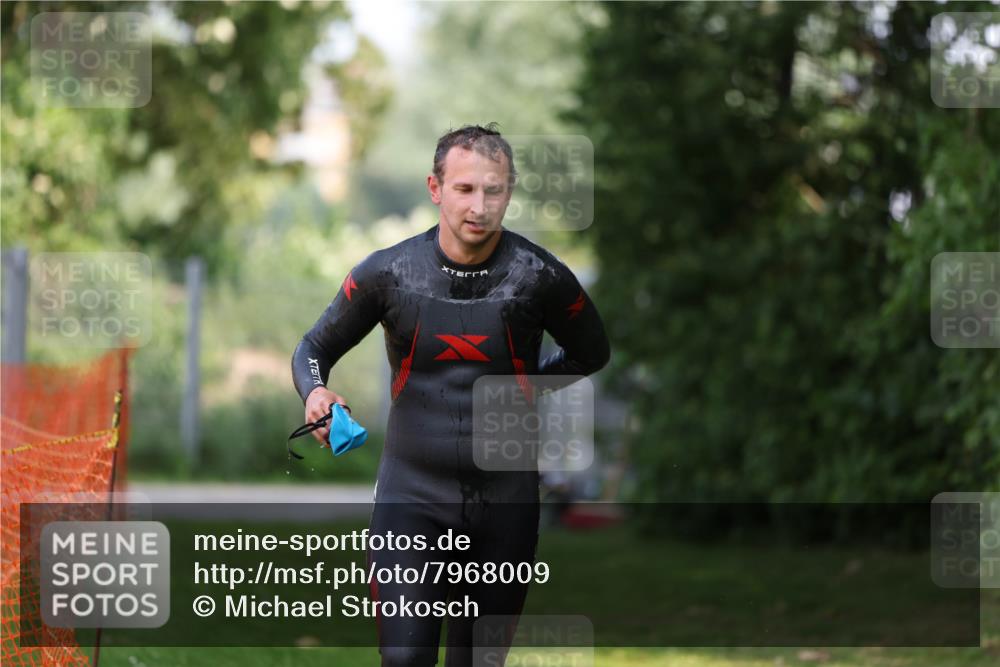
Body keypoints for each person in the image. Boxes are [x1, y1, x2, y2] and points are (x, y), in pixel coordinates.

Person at [291, 123, 610, 666]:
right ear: (435, 188)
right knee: (406, 661)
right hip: (410, 499)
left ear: (509, 191)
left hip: (506, 503)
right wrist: (317, 393)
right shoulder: (389, 273)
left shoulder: (540, 276)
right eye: (465, 189)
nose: (480, 206)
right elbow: (314, 346)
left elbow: (591, 352)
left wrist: (525, 388)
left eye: (494, 190)